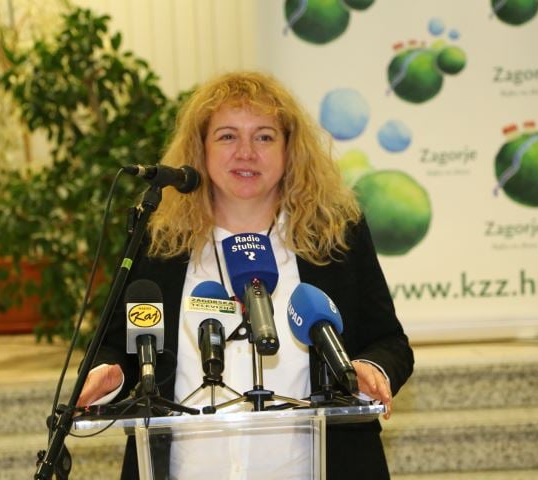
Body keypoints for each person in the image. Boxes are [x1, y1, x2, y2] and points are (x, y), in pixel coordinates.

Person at [77, 70, 414, 479]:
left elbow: (388, 342)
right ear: (200, 149)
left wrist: (371, 368)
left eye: (264, 137)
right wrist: (111, 373)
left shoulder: (335, 237)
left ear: (290, 149)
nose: (246, 153)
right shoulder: (161, 242)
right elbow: (121, 344)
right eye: (227, 136)